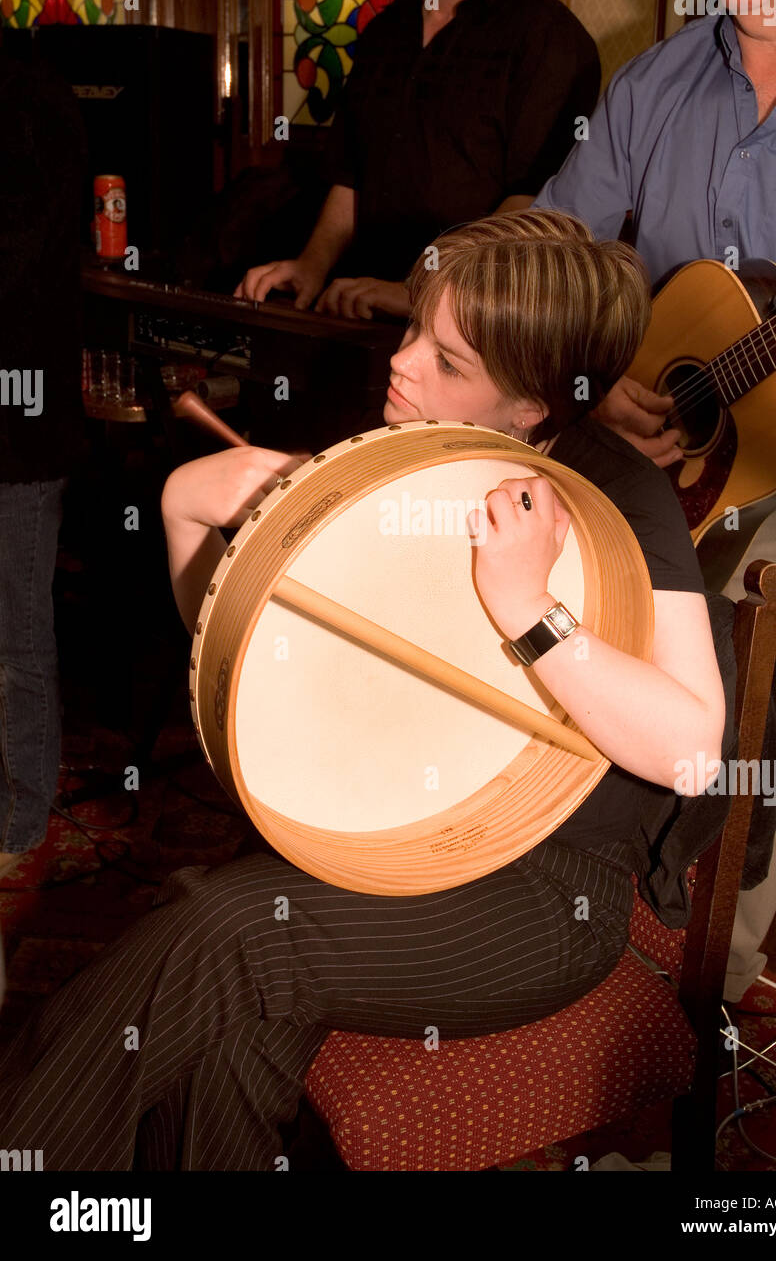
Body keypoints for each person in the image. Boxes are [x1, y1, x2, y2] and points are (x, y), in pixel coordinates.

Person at [0, 210, 731, 1170]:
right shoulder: (405, 450)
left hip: (545, 898)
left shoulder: (618, 493)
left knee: (229, 932)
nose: (405, 364)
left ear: (533, 409)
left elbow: (692, 748)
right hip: (389, 844)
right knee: (230, 1035)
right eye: (417, 328)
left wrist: (529, 609)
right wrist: (188, 512)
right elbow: (259, 662)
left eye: (450, 360)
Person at [532, 0, 776, 1002]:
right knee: (567, 628)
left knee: (768, 684)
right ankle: (539, 926)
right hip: (659, 452)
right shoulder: (652, 79)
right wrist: (597, 370)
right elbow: (553, 253)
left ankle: (692, 1002)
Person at [234, 0, 600, 321]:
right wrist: (312, 265)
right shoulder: (383, 32)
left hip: (471, 329)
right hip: (355, 308)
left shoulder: (550, 39)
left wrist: (420, 290)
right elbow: (350, 177)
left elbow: (533, 206)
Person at [0, 51, 87, 883]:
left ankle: (22, 817)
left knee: (18, 637)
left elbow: (18, 265)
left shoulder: (29, 96)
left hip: (20, 425)